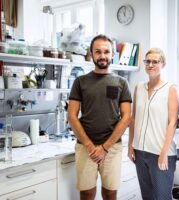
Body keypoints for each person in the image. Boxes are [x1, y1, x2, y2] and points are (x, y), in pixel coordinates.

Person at [68, 34, 132, 200]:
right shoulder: (80, 82)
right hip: (85, 148)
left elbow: (126, 117)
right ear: (91, 53)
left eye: (106, 51)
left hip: (112, 148)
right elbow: (72, 116)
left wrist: (104, 148)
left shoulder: (121, 82)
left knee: (110, 193)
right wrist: (90, 146)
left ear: (112, 54)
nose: (102, 56)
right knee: (87, 193)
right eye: (98, 51)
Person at [128, 48, 179, 200]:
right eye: (147, 61)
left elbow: (172, 122)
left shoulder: (170, 89)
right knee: (147, 196)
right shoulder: (139, 87)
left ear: (163, 64)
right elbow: (133, 118)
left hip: (160, 153)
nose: (150, 64)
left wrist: (164, 153)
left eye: (155, 61)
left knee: (162, 197)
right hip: (140, 151)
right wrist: (131, 145)